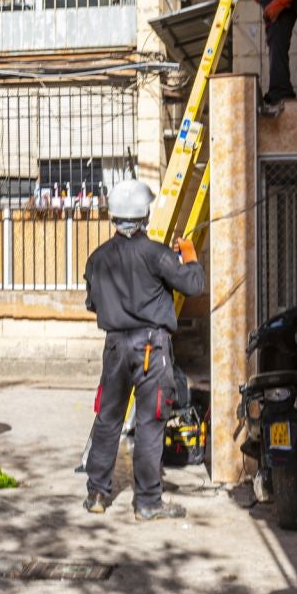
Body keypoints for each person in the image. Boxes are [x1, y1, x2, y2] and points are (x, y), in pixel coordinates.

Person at [82, 178, 208, 521]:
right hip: (151, 348)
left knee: (108, 419)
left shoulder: (97, 259)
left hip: (114, 348)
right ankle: (148, 501)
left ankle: (96, 493)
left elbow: (93, 303)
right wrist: (190, 258)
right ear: (144, 216)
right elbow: (194, 285)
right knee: (151, 421)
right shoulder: (157, 255)